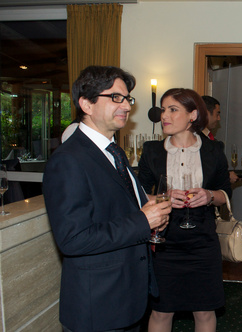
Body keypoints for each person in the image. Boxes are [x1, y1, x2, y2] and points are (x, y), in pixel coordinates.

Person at [43, 65, 171, 332]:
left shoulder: (113, 151)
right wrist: (142, 220)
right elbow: (73, 239)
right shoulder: (68, 160)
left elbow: (118, 206)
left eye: (127, 99)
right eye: (115, 97)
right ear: (86, 104)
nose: (126, 106)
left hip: (126, 298)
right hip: (98, 307)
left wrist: (149, 212)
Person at [139, 88, 231, 332]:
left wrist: (209, 195)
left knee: (204, 310)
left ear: (192, 115)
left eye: (172, 109)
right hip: (164, 241)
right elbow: (136, 194)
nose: (164, 116)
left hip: (202, 240)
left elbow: (225, 194)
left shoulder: (214, 150)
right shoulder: (152, 150)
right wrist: (162, 198)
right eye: (163, 110)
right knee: (161, 311)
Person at [201, 95, 239, 183]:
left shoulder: (208, 137)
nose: (219, 118)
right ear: (206, 113)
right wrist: (226, 177)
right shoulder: (197, 139)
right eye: (217, 113)